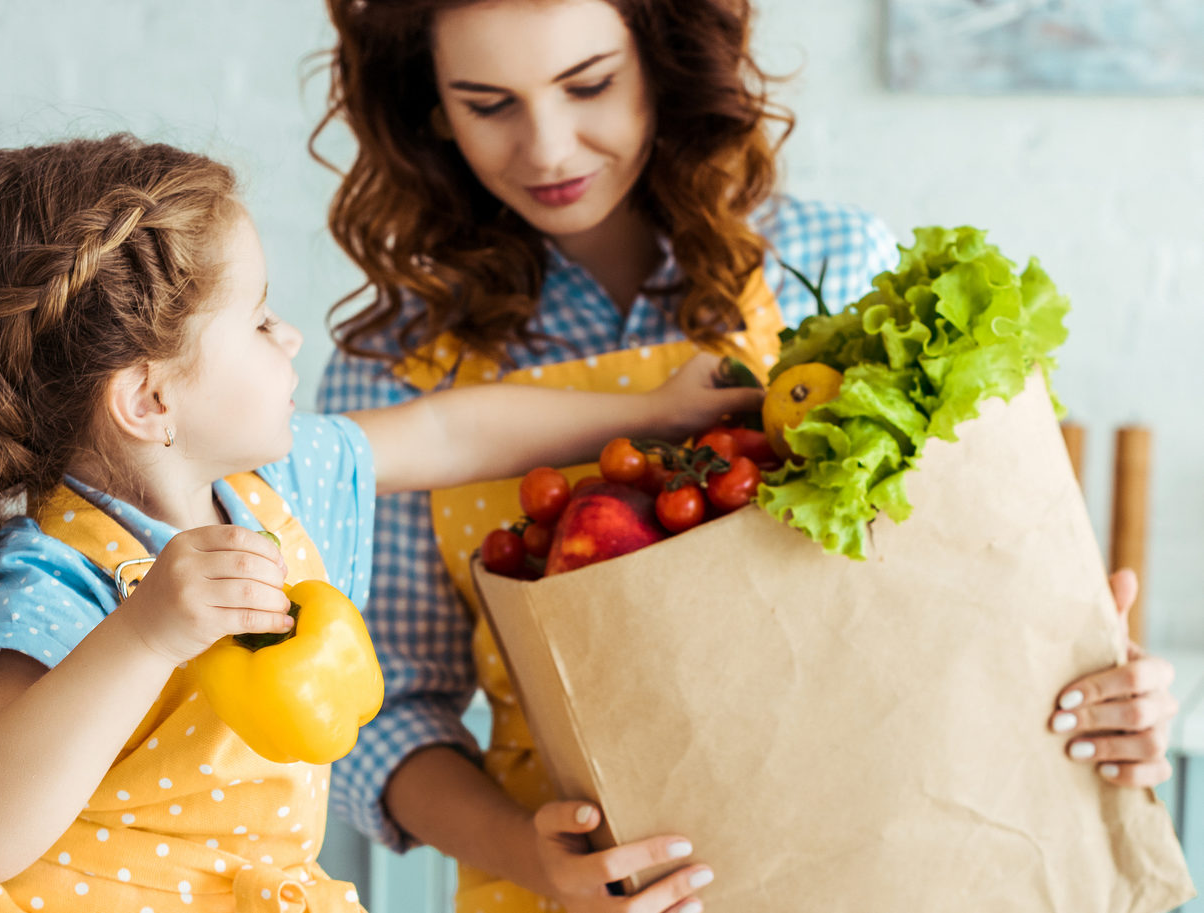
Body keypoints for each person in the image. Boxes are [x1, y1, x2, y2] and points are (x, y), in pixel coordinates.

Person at [313, 2, 1181, 911]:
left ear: (662, 56)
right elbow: (383, 710)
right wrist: (542, 865)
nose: (549, 148)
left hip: (898, 842)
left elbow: (950, 604)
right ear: (430, 106)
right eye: (489, 103)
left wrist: (1104, 695)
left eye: (590, 85)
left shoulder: (836, 263)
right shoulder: (394, 368)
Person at [0, 134, 757, 913]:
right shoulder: (61, 574)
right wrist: (146, 632)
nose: (293, 339)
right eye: (261, 319)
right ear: (151, 398)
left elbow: (455, 427)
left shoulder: (282, 481)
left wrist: (648, 416)